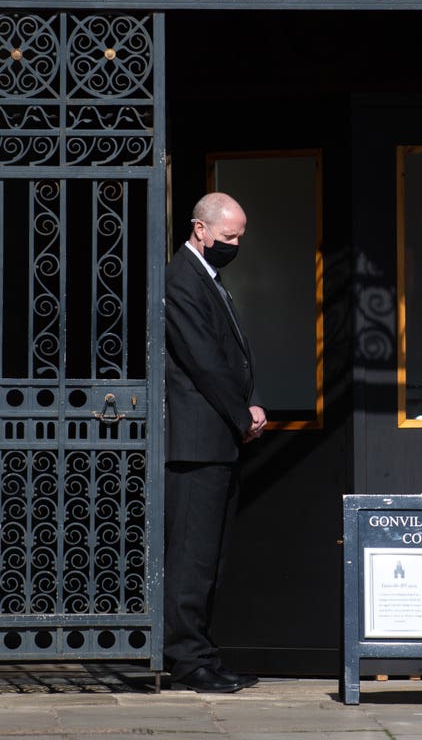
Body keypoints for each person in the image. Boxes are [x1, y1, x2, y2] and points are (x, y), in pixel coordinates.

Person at [163, 191, 267, 693]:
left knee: (211, 557)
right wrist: (241, 414)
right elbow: (203, 359)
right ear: (200, 230)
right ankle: (186, 660)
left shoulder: (208, 277)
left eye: (240, 236)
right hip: (197, 443)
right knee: (191, 556)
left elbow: (228, 355)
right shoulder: (182, 277)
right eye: (229, 236)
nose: (236, 243)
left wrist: (247, 407)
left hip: (216, 439)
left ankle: (202, 653)